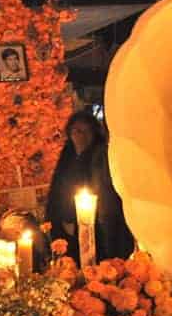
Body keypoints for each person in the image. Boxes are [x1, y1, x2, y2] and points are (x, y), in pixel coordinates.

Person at [46, 110, 133, 264]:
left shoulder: (100, 155)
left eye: (86, 131)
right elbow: (60, 187)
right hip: (72, 221)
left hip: (100, 221)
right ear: (70, 133)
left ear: (94, 133)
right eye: (77, 131)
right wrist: (65, 216)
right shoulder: (68, 155)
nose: (81, 135)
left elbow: (105, 189)